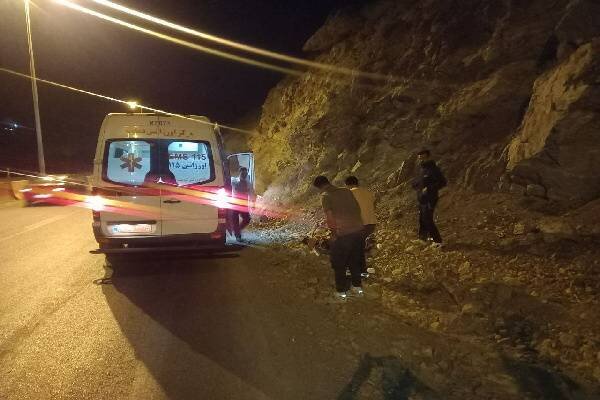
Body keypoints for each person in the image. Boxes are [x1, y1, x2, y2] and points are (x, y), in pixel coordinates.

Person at [313, 175, 365, 300]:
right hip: (358, 231)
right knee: (354, 260)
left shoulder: (325, 196)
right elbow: (357, 209)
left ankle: (342, 292)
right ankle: (357, 288)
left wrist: (334, 233)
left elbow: (330, 217)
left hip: (344, 233)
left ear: (319, 187)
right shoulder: (346, 191)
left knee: (339, 263)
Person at [411, 149, 446, 245]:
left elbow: (442, 182)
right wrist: (415, 185)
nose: (420, 160)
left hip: (430, 198)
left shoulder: (433, 169)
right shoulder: (421, 169)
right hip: (422, 198)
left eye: (422, 157)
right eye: (419, 158)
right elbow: (418, 181)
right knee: (422, 218)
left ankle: (438, 241)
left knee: (428, 219)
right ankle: (423, 239)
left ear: (428, 157)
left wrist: (429, 188)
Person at [345, 176, 377, 277]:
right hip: (371, 224)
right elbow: (373, 205)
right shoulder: (368, 192)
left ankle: (354, 270)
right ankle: (362, 271)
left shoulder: (350, 193)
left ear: (348, 185)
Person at [231, 167, 254, 241]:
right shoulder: (233, 181)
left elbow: (251, 194)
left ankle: (237, 230)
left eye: (245, 173)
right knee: (235, 219)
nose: (244, 174)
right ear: (239, 173)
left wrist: (253, 204)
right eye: (242, 173)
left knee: (247, 219)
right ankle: (237, 235)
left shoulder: (248, 184)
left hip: (243, 204)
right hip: (234, 203)